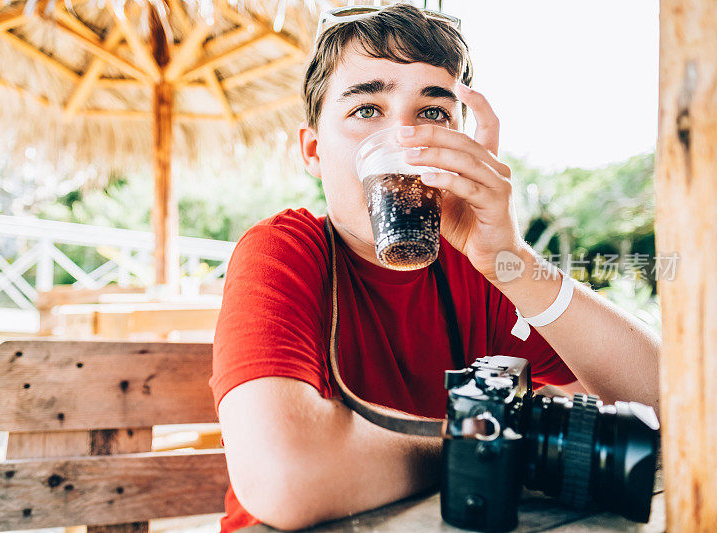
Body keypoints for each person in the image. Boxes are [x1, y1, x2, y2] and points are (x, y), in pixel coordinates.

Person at [209, 4, 660, 531]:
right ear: (312, 151)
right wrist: (490, 444)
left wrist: (511, 263)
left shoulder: (478, 269)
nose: (404, 142)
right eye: (367, 110)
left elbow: (672, 404)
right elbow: (284, 477)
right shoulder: (285, 251)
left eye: (432, 113)